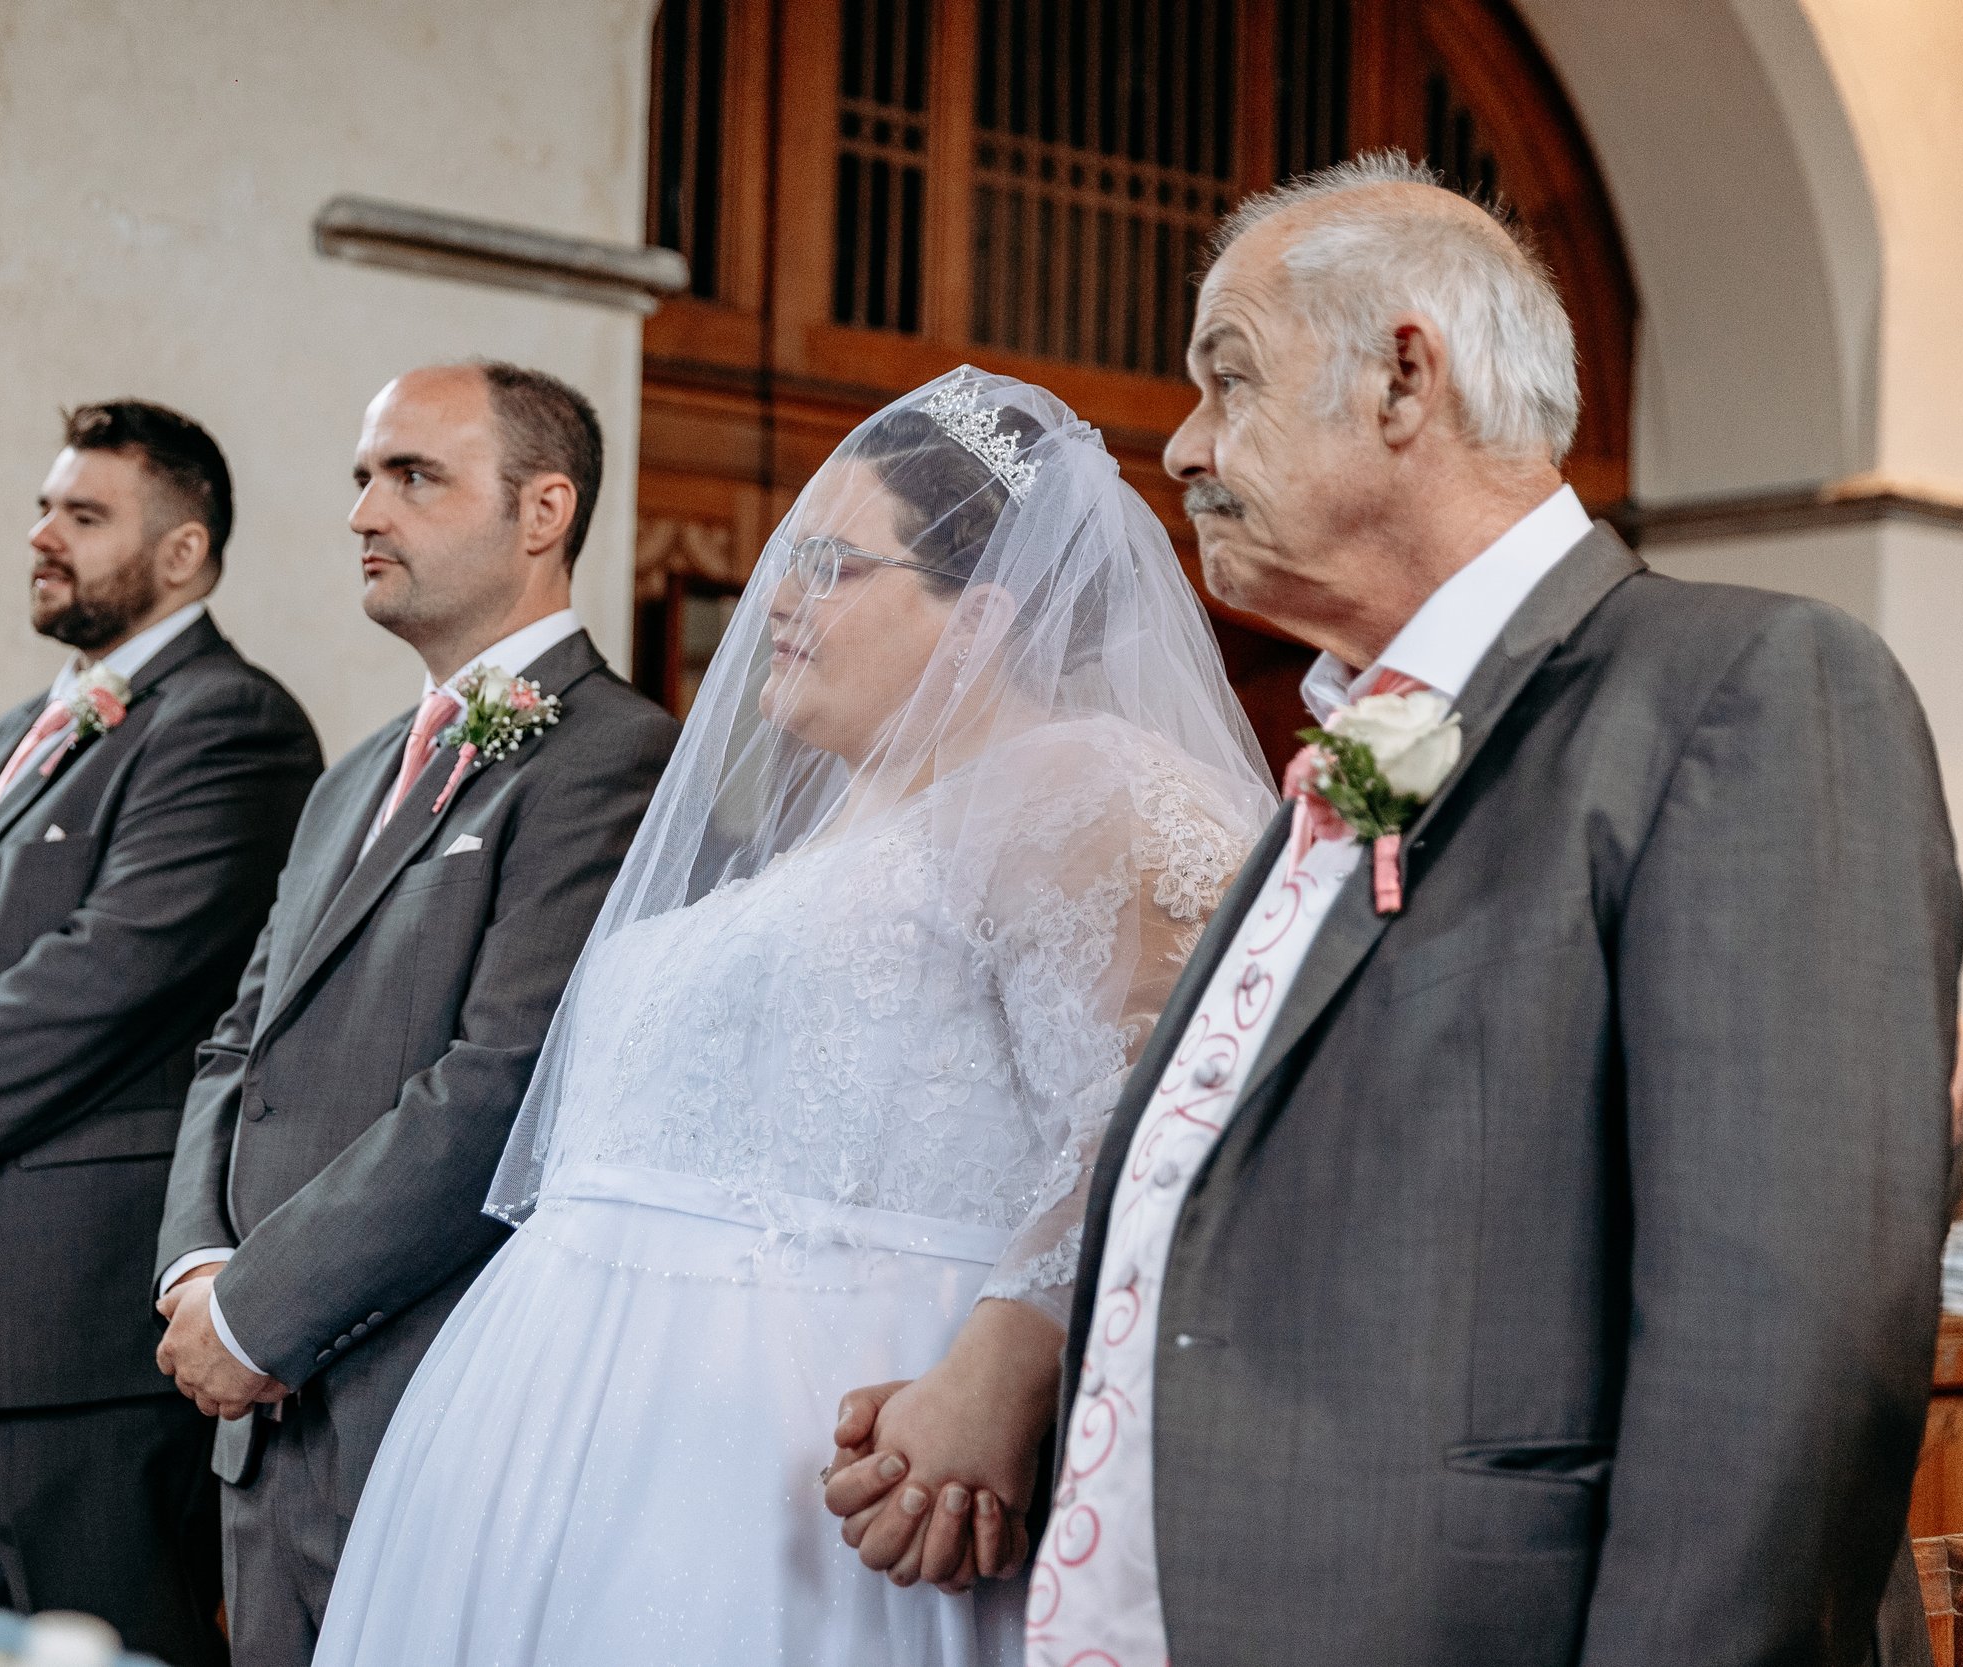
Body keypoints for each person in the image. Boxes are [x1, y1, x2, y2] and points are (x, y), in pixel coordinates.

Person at [912, 151, 1957, 1667]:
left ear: (1407, 375)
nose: (1185, 442)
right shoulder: (1340, 747)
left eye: (1230, 377)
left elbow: (1782, 1359)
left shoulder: (1743, 692)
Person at [311, 367, 1275, 1666]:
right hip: (576, 1449)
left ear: (983, 619)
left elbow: (1166, 1099)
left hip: (824, 1468)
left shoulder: (1076, 783)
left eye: (831, 564)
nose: (778, 599)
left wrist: (1004, 1364)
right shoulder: (826, 827)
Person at [150, 361, 679, 1664]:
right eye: (362, 477)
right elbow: (239, 1040)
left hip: (425, 1399)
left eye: (414, 474)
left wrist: (261, 1307)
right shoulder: (353, 776)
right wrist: (197, 1271)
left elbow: (503, 1080)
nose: (364, 512)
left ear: (542, 509)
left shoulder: (613, 756)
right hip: (261, 1423)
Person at [0, 400, 319, 1666]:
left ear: (183, 553)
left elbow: (111, 968)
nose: (43, 535)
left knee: (115, 1642)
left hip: (73, 1326)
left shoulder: (227, 723)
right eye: (45, 508)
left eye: (83, 516)